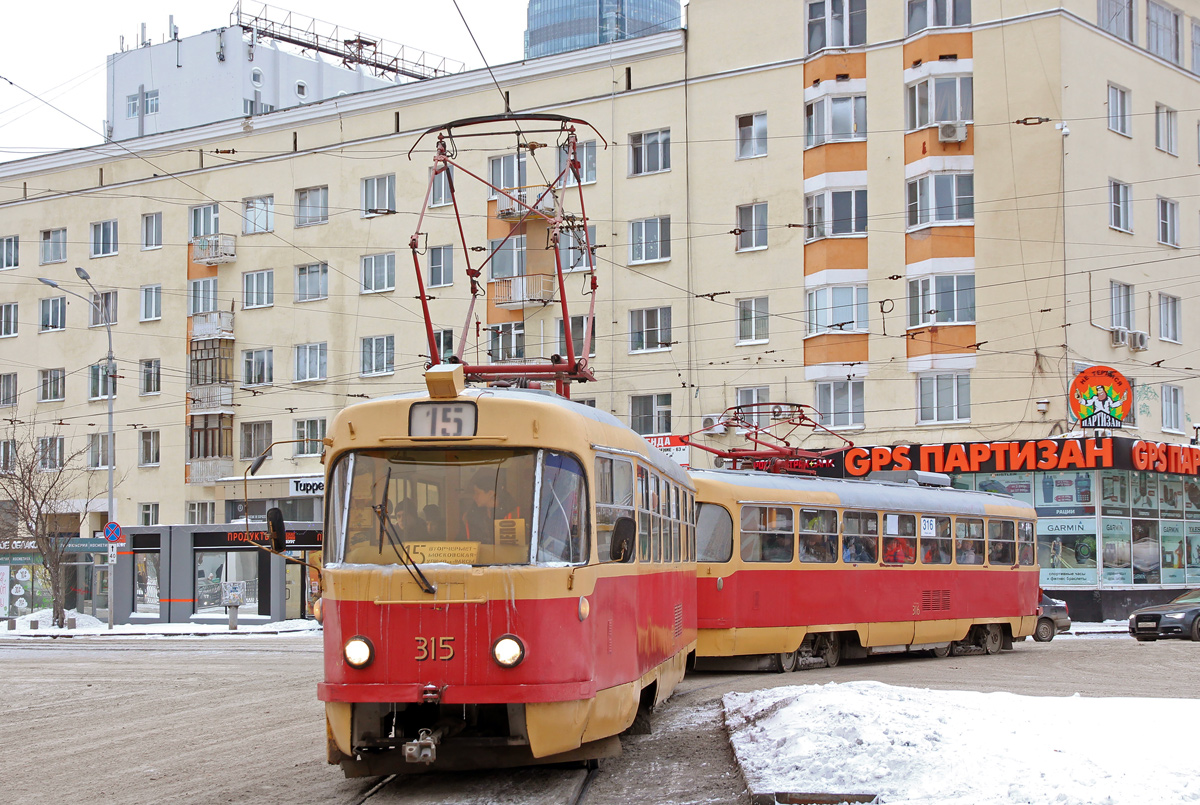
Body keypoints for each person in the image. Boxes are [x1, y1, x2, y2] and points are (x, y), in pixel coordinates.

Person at [461, 469, 521, 544]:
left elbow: (513, 547)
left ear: (490, 493)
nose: (474, 497)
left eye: (477, 493)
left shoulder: (512, 514)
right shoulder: (471, 515)